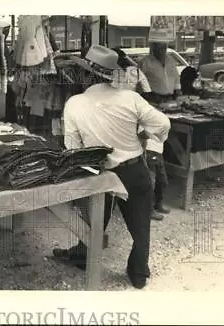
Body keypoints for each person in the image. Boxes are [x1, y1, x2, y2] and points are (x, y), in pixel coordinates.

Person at [52, 45, 171, 289]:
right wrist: (146, 137)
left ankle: (83, 256)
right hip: (134, 169)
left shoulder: (74, 104)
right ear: (109, 74)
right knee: (140, 225)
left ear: (85, 74)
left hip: (100, 172)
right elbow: (163, 124)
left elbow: (73, 149)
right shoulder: (130, 98)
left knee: (93, 223)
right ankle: (138, 273)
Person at [138, 42, 180, 220]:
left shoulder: (170, 60)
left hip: (157, 146)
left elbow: (176, 79)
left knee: (161, 179)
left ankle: (158, 203)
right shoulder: (144, 63)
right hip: (149, 146)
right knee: (152, 179)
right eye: (158, 46)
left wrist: (176, 98)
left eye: (164, 47)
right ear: (152, 47)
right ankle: (148, 209)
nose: (162, 49)